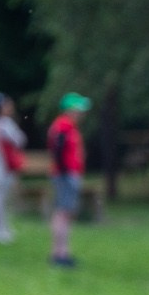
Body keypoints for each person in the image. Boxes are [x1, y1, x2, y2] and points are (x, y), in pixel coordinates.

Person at [47, 91, 90, 267]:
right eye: (79, 109)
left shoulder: (69, 126)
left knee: (65, 213)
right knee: (63, 213)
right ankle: (59, 253)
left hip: (68, 174)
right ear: (70, 109)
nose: (82, 113)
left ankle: (62, 251)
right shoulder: (63, 126)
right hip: (66, 175)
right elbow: (58, 150)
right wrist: (65, 172)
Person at [0, 92, 25, 243]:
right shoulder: (3, 124)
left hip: (3, 168)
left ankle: (1, 227)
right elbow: (19, 139)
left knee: (3, 199)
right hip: (2, 168)